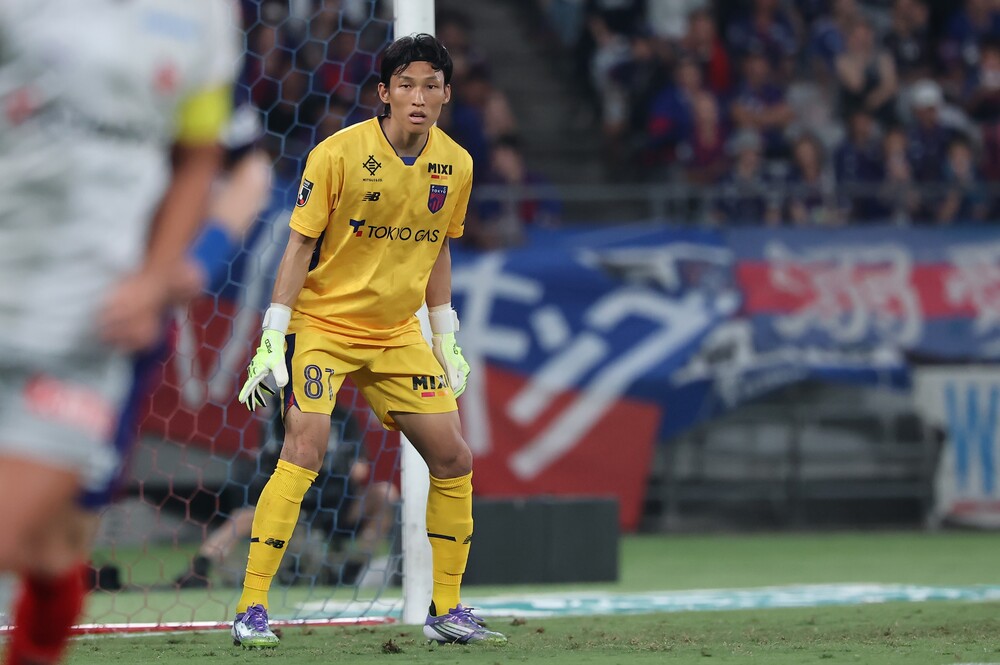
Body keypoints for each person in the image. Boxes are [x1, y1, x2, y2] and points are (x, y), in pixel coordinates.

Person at [231, 33, 507, 648]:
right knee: (305, 449)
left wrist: (446, 335)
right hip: (323, 326)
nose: (419, 97)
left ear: (446, 94)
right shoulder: (337, 154)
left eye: (431, 86)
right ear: (384, 92)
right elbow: (299, 244)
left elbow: (439, 248)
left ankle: (447, 609)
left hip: (396, 333)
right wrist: (273, 334)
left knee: (454, 458)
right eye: (406, 85)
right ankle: (252, 607)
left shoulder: (456, 164)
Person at [0, 3, 240, 664]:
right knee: (47, 545)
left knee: (35, 535)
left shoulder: (204, 19)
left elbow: (212, 161)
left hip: (89, 320)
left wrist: (162, 275)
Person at [173, 404, 399, 589]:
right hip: (293, 498)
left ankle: (354, 566)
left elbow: (360, 469)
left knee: (385, 494)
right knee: (245, 516)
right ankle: (200, 567)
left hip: (335, 501)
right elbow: (266, 462)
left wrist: (332, 464)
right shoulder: (280, 416)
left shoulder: (343, 418)